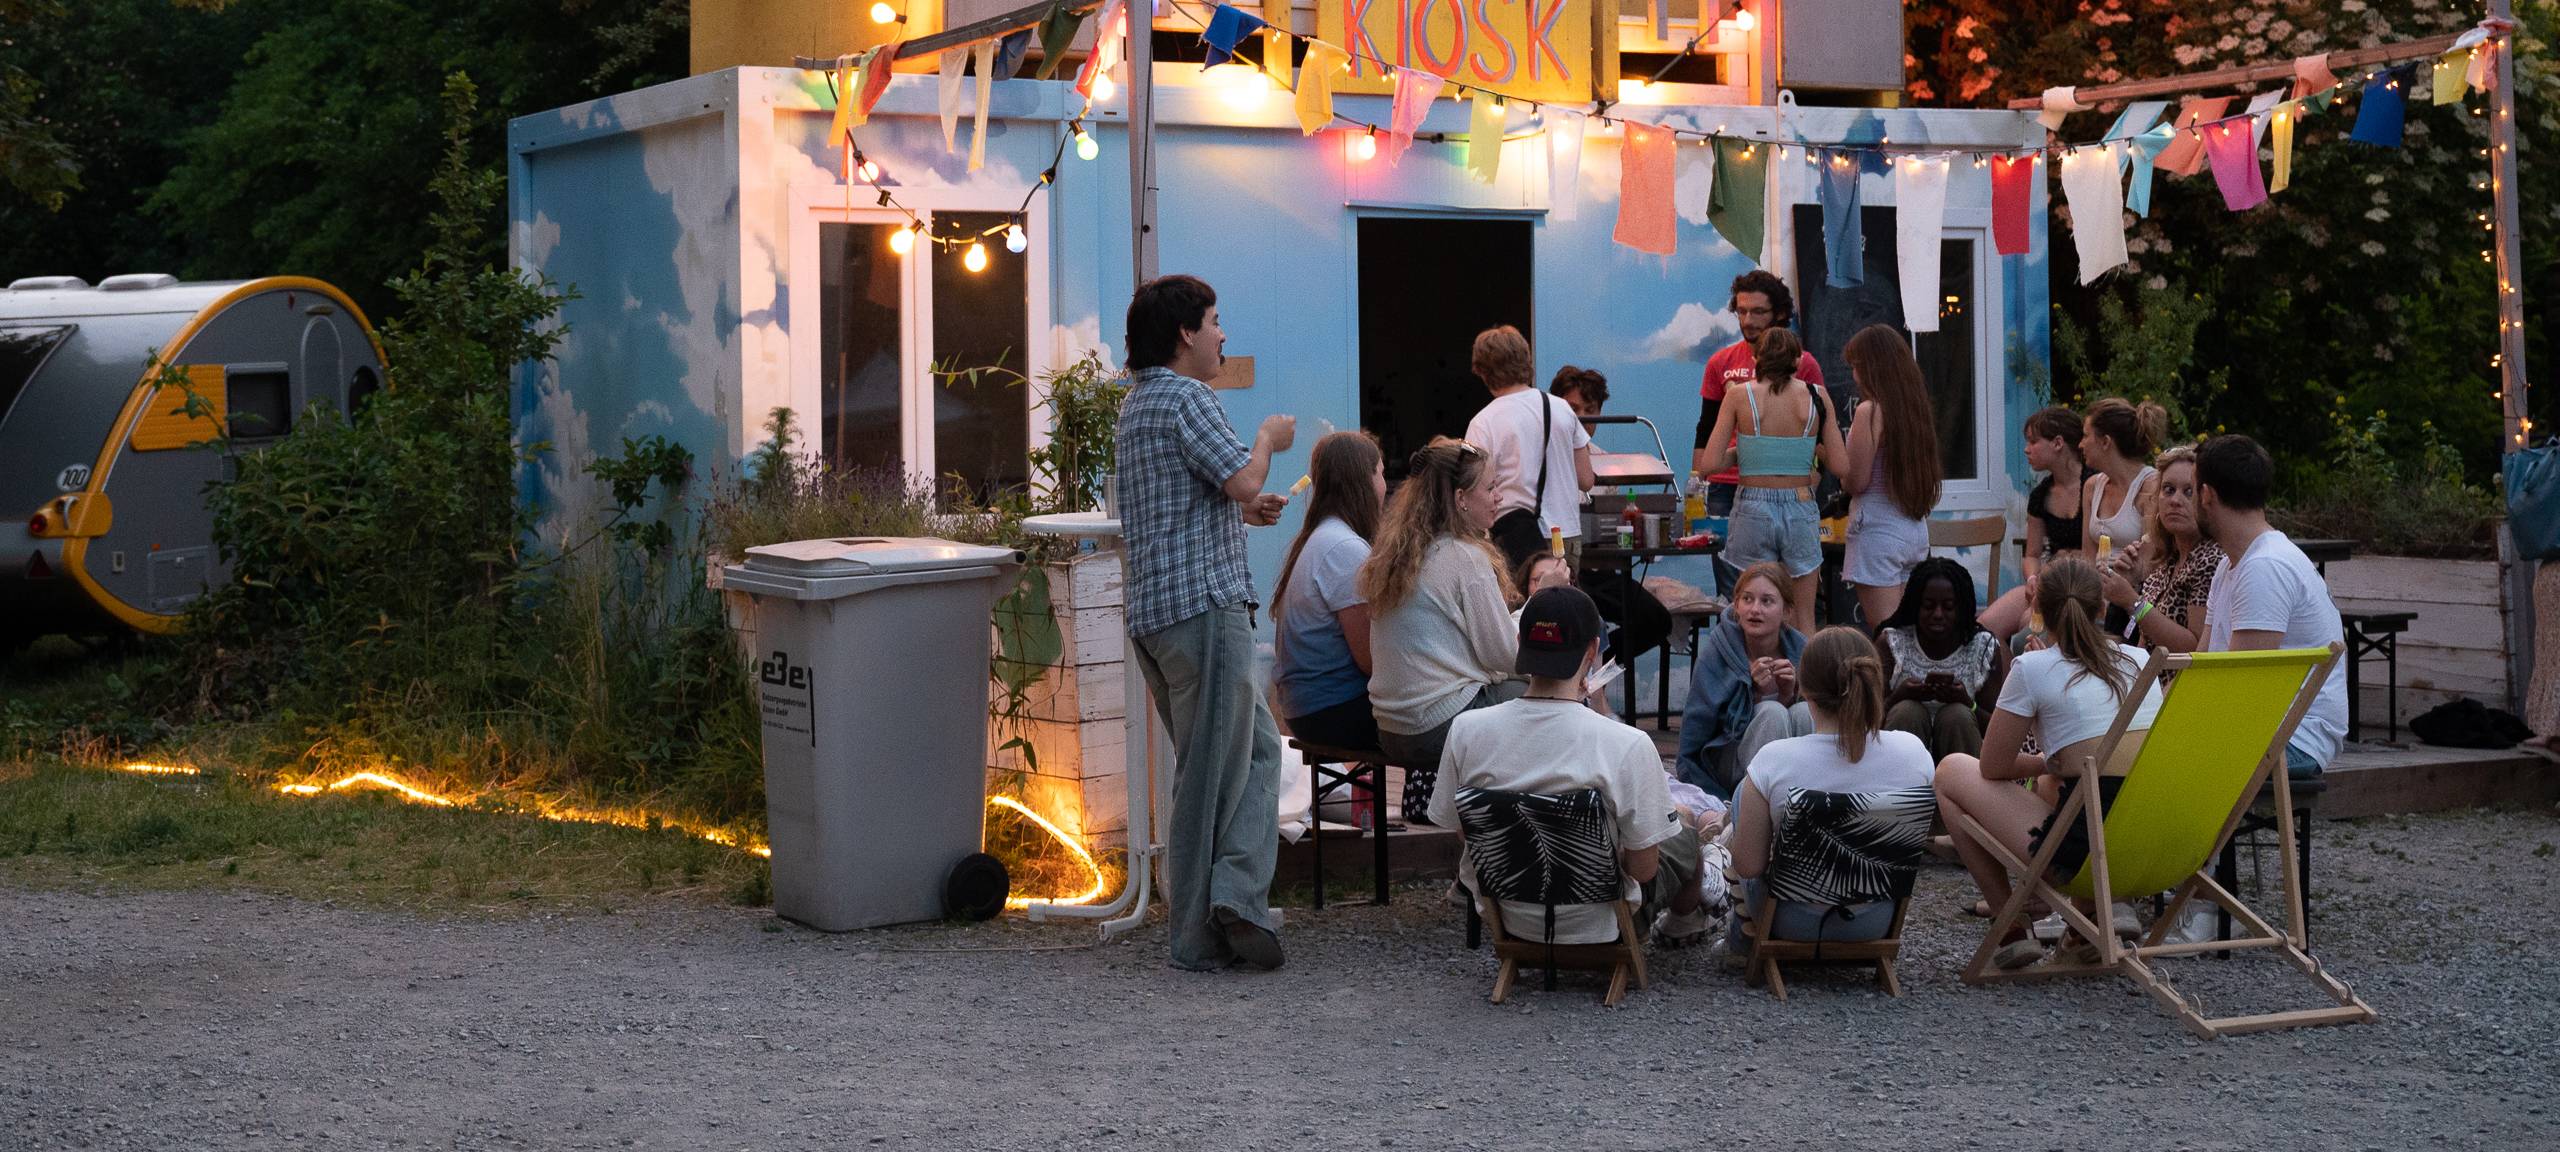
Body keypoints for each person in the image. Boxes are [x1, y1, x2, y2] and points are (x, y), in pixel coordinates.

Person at [1113, 273, 1294, 972]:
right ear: (1185, 333)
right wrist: (1267, 439)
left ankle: (1237, 901)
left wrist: (1243, 509)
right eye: (1216, 320)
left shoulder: (1140, 404)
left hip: (1158, 613)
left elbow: (1204, 499)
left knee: (1254, 754)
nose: (1223, 335)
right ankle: (1195, 933)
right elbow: (1245, 478)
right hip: (1203, 609)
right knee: (1209, 772)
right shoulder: (1191, 398)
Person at [1429, 586, 1721, 948]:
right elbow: (1643, 870)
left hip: (1510, 919)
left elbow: (1464, 833)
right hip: (1603, 925)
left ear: (1520, 642)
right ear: (1593, 651)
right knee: (1683, 829)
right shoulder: (1626, 744)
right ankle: (1685, 921)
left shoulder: (1466, 730)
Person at [1934, 558, 2164, 967]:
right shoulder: (2143, 661)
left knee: (1952, 771)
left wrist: (2046, 761)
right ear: (2101, 609)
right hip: (2150, 846)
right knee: (2059, 787)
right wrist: (2055, 769)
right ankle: (2084, 924)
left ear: (2038, 611)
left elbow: (1993, 766)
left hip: (2083, 855)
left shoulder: (2033, 667)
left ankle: (2011, 926)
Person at [1726, 627, 1939, 949]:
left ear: (1805, 690)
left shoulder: (1775, 760)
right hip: (1874, 923)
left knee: (1747, 791)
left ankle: (1741, 942)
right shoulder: (1913, 753)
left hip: (1789, 923)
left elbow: (1748, 866)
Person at [1362, 438, 1523, 820]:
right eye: (1490, 488)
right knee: (1550, 699)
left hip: (1391, 729)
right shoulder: (1464, 557)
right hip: (1436, 728)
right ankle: (1529, 827)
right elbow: (1505, 655)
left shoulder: (1399, 552)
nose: (1499, 497)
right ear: (1461, 498)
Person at [2195, 434, 2349, 778]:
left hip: (2292, 740)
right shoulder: (2230, 565)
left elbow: (2243, 689)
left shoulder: (2265, 567)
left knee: (2137, 766)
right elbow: (2201, 665)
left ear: (2207, 495)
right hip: (2265, 731)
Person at [1694, 327, 1851, 636]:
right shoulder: (1818, 397)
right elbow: (1840, 464)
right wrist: (1803, 448)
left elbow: (1708, 464)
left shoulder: (1739, 394)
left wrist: (1747, 453)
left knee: (1751, 612)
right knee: (1803, 616)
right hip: (1801, 505)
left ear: (1756, 359)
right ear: (1797, 360)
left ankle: (1753, 680)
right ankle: (1803, 683)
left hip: (1753, 506)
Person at [1272, 430, 1389, 751]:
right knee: (1438, 719)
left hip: (1311, 708)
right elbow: (1370, 660)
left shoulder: (1324, 537)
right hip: (1332, 712)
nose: (1385, 486)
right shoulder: (1344, 548)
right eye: (1381, 474)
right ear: (1362, 481)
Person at [1674, 561, 1813, 799]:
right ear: (1736, 606)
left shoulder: (1801, 651)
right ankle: (1756, 808)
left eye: (1766, 601)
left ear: (1786, 611)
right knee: (1771, 712)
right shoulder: (1718, 652)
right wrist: (1754, 695)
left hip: (1787, 769)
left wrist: (1787, 695)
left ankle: (1805, 802)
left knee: (1803, 711)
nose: (1755, 609)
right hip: (1731, 765)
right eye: (1747, 599)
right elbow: (1694, 736)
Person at [1463, 325, 1594, 570]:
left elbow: (1473, 487)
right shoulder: (1562, 409)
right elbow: (1586, 480)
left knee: (1520, 609)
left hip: (1514, 540)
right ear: (1526, 361)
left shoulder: (1483, 422)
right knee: (1563, 606)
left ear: (1483, 372)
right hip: (1565, 536)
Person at [1839, 325, 1943, 627]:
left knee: (1889, 638)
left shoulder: (1869, 411)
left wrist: (1836, 465)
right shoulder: (1914, 410)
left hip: (1877, 530)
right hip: (1913, 530)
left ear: (1869, 367)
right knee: (1913, 633)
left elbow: (1857, 480)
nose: (1853, 375)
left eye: (1855, 366)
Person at [1877, 558, 2009, 760]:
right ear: (1915, 606)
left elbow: (1999, 733)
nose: (1938, 614)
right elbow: (1865, 723)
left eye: (1948, 607)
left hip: (1962, 759)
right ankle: (1902, 789)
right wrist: (1898, 697)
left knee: (1956, 714)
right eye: (1928, 606)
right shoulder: (1893, 642)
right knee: (1907, 711)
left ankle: (1963, 789)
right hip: (1903, 762)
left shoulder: (1983, 647)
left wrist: (1966, 701)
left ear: (1962, 609)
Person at [2099, 444, 2223, 654]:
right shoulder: (2165, 557)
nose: (2175, 500)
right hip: (2149, 676)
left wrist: (2132, 601)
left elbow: (2195, 649)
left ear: (2206, 498)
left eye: (2188, 492)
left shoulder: (2210, 558)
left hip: (2180, 682)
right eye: (2168, 489)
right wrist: (2134, 581)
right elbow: (2143, 640)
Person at [1982, 407, 2086, 641]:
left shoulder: (2093, 483)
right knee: (1984, 628)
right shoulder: (2041, 495)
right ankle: (2008, 674)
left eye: (2033, 441)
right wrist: (2032, 579)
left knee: (2027, 623)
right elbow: (2032, 554)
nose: (2026, 450)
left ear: (2058, 443)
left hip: (2082, 581)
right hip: (2050, 580)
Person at [2078, 397, 2165, 570]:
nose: (2080, 444)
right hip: (2095, 588)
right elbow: (2087, 557)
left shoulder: (2150, 486)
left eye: (2086, 436)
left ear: (2105, 442)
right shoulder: (2092, 486)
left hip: (2135, 588)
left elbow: (2150, 563)